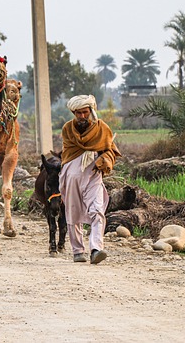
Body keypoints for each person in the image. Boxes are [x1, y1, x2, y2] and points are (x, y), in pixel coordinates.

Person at [59, 95, 121, 265]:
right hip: (71, 176)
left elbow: (111, 150)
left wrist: (105, 159)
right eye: (78, 113)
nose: (82, 116)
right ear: (74, 113)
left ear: (91, 111)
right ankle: (78, 251)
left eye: (85, 112)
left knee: (97, 211)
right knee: (73, 213)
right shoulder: (67, 129)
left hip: (93, 175)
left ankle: (96, 249)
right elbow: (69, 152)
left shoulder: (102, 129)